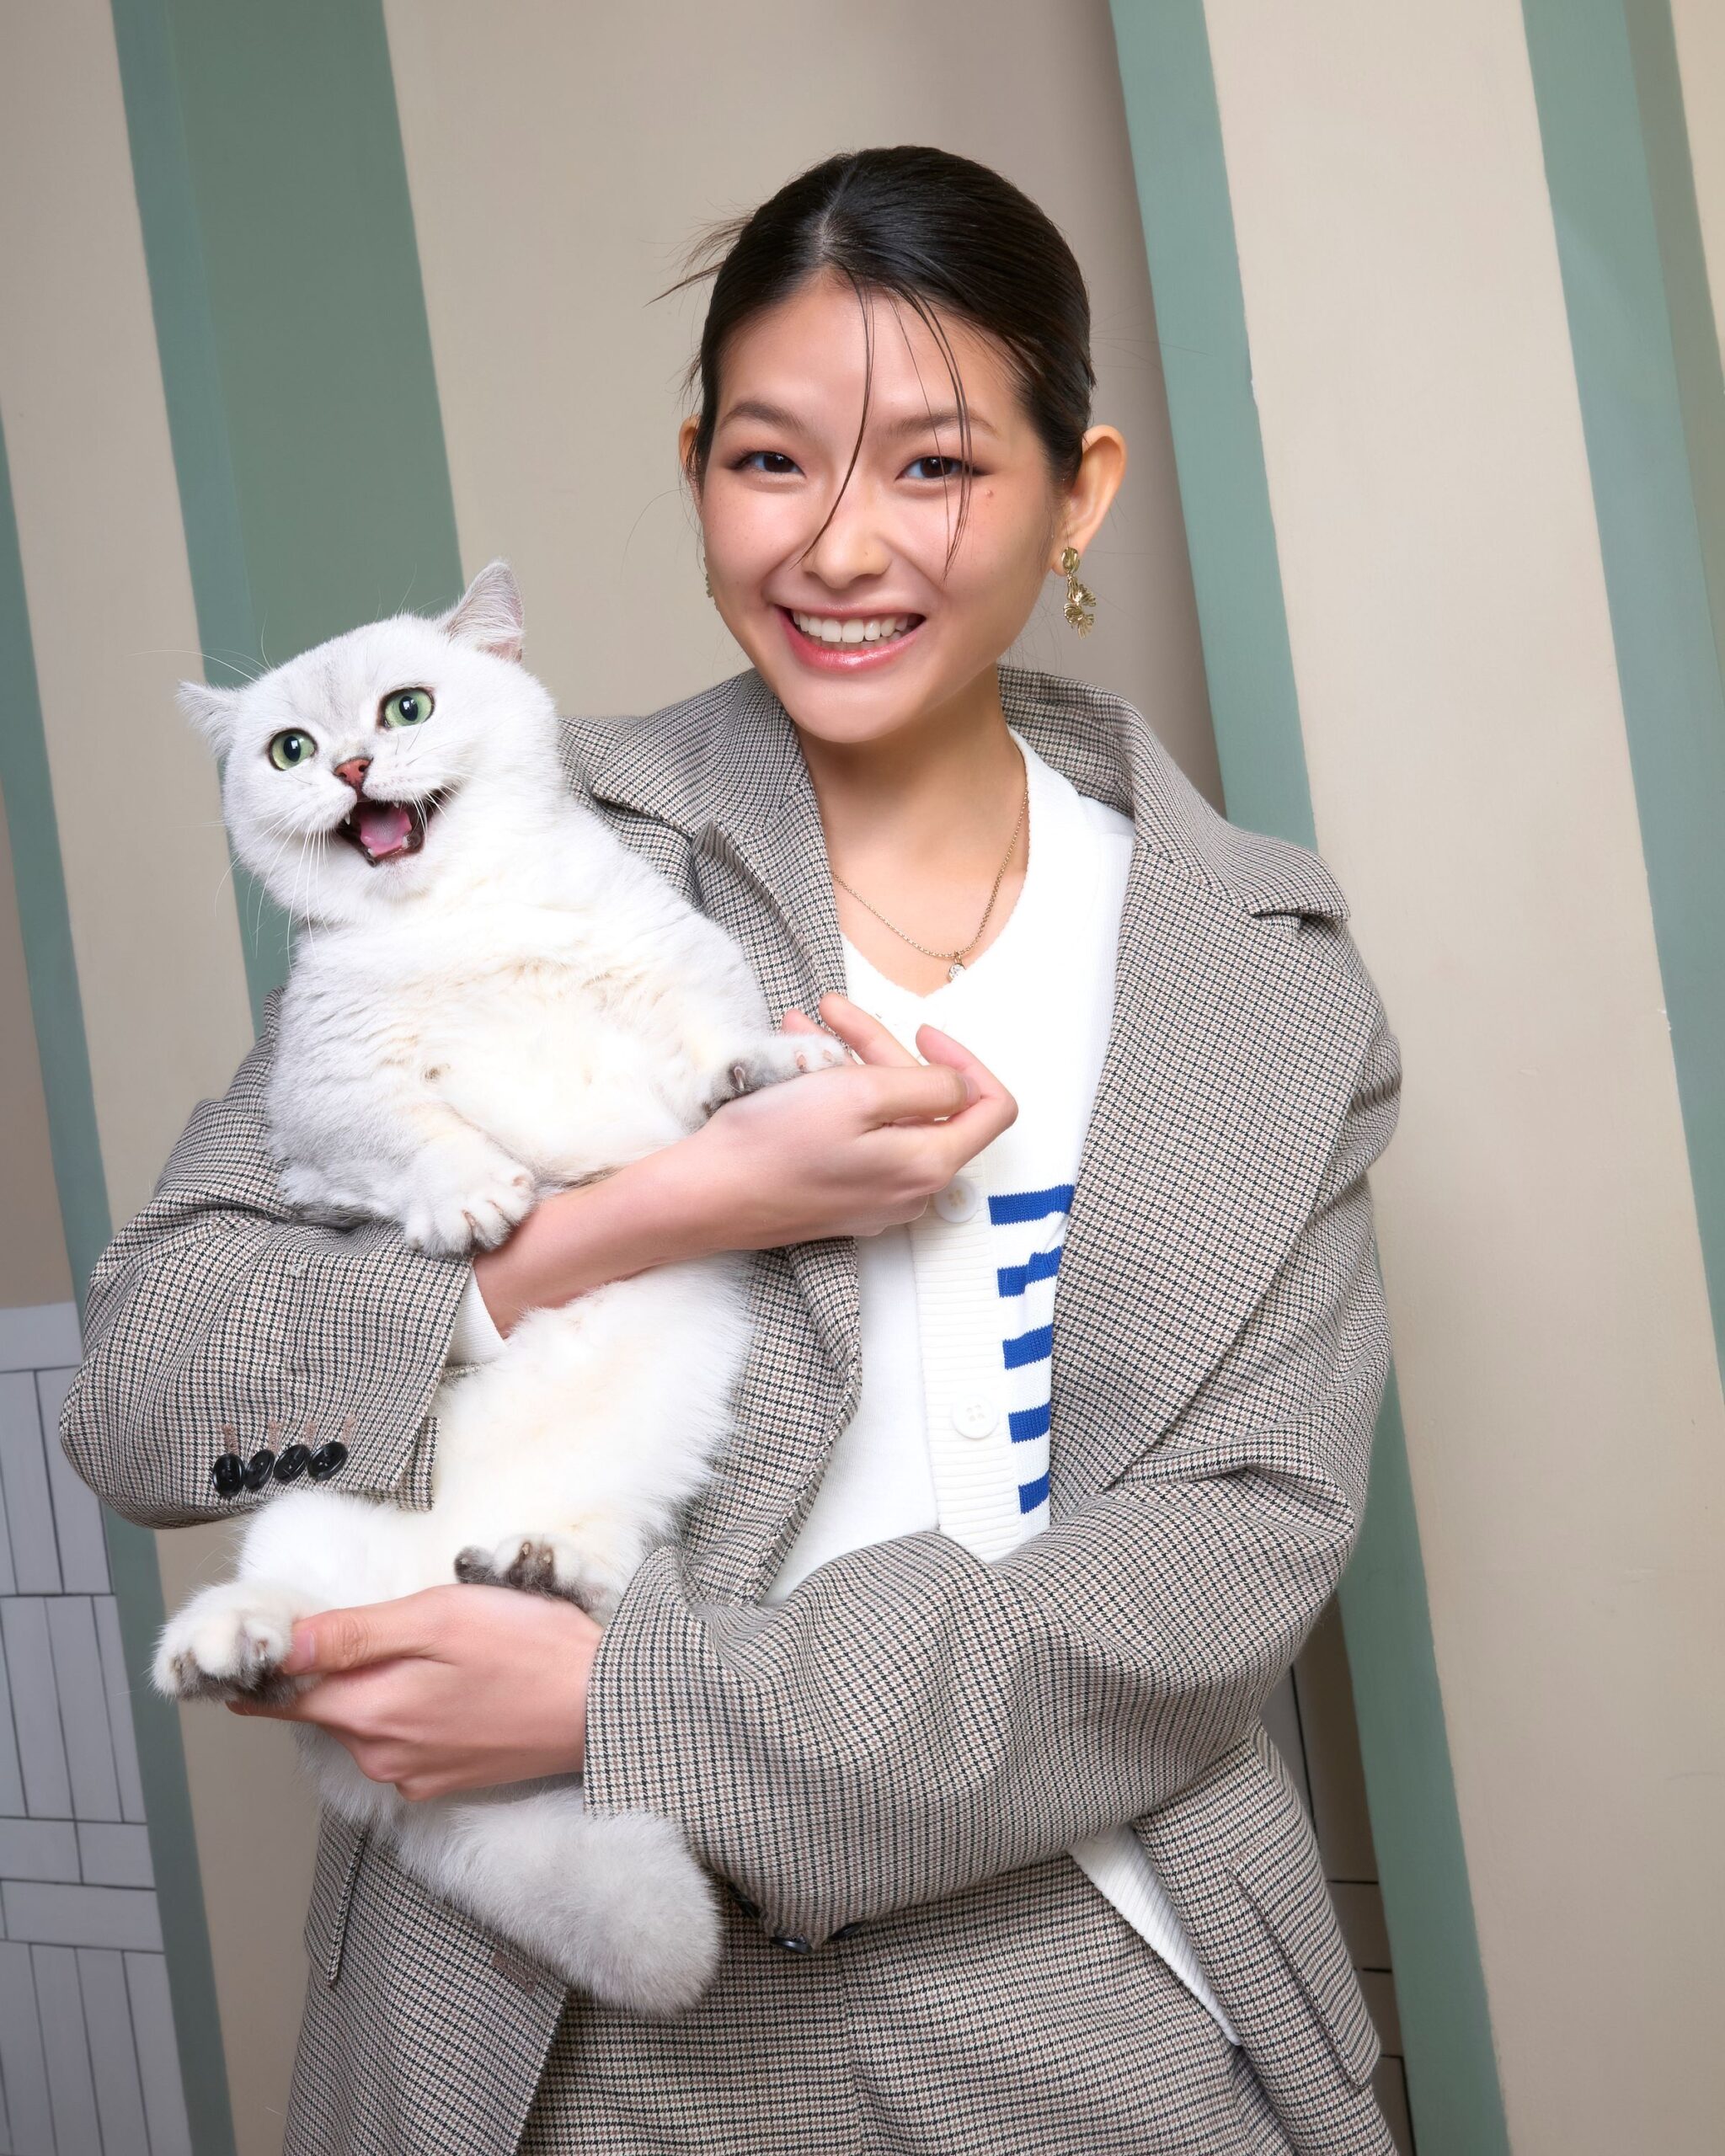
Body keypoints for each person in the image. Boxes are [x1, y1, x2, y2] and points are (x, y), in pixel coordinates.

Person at [61, 146, 1402, 2156]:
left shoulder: (1259, 971)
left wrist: (622, 1704)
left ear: (1078, 493)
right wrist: (648, 1212)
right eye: (772, 460)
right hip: (554, 2021)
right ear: (696, 472)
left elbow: (1232, 1554)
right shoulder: (501, 832)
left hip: (1092, 1967)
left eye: (935, 465)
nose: (841, 545)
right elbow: (151, 1388)